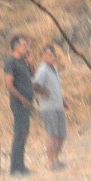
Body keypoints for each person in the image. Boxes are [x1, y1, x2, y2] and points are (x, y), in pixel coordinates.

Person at [32, 42, 68, 170]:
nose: (52, 57)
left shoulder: (54, 69)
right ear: (43, 56)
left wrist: (62, 101)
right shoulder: (43, 70)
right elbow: (35, 85)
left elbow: (55, 87)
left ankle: (56, 160)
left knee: (61, 135)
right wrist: (43, 92)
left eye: (53, 55)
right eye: (49, 55)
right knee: (52, 135)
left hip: (58, 106)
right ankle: (50, 162)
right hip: (49, 108)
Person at [3, 34, 35, 176]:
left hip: (27, 102)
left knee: (24, 132)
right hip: (18, 103)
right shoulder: (11, 62)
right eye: (24, 45)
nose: (26, 47)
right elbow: (9, 85)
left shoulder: (22, 61)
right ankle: (14, 168)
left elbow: (32, 75)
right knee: (19, 133)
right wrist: (22, 99)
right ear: (16, 46)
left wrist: (30, 61)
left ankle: (21, 166)